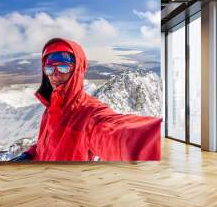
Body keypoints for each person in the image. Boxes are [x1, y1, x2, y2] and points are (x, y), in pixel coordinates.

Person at [11, 38, 162, 161]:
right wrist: (30, 154)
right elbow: (48, 145)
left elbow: (119, 135)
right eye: (50, 69)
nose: (55, 76)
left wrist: (156, 143)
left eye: (64, 68)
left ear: (78, 70)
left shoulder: (90, 116)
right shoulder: (51, 108)